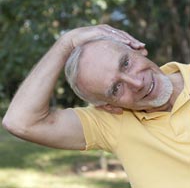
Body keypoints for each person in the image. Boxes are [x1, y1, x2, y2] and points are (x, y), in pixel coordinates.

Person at [2, 24, 190, 188]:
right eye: (116, 88)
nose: (136, 83)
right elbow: (20, 122)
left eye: (125, 63)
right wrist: (66, 43)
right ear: (109, 107)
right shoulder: (115, 123)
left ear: (138, 49)